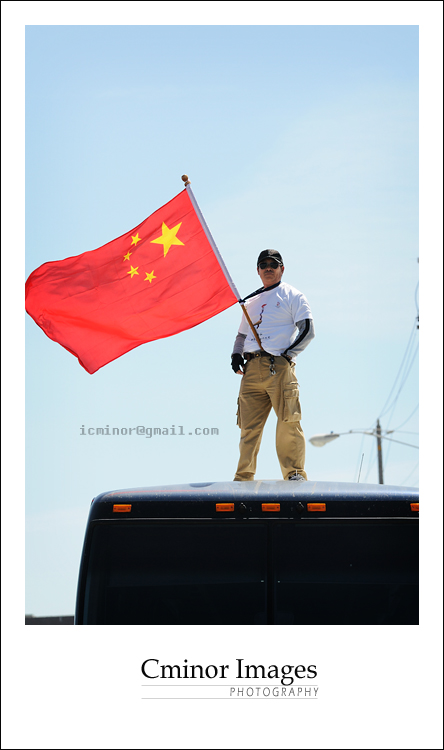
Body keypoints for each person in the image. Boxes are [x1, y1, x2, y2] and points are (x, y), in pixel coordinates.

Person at [231, 249, 315, 482]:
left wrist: (287, 356)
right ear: (258, 270)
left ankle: (294, 474)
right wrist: (236, 354)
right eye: (264, 264)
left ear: (282, 269)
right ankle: (244, 478)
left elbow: (307, 330)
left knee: (288, 420)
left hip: (278, 367)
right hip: (251, 368)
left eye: (273, 264)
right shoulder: (250, 301)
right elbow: (241, 335)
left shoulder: (292, 295)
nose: (268, 268)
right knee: (248, 427)